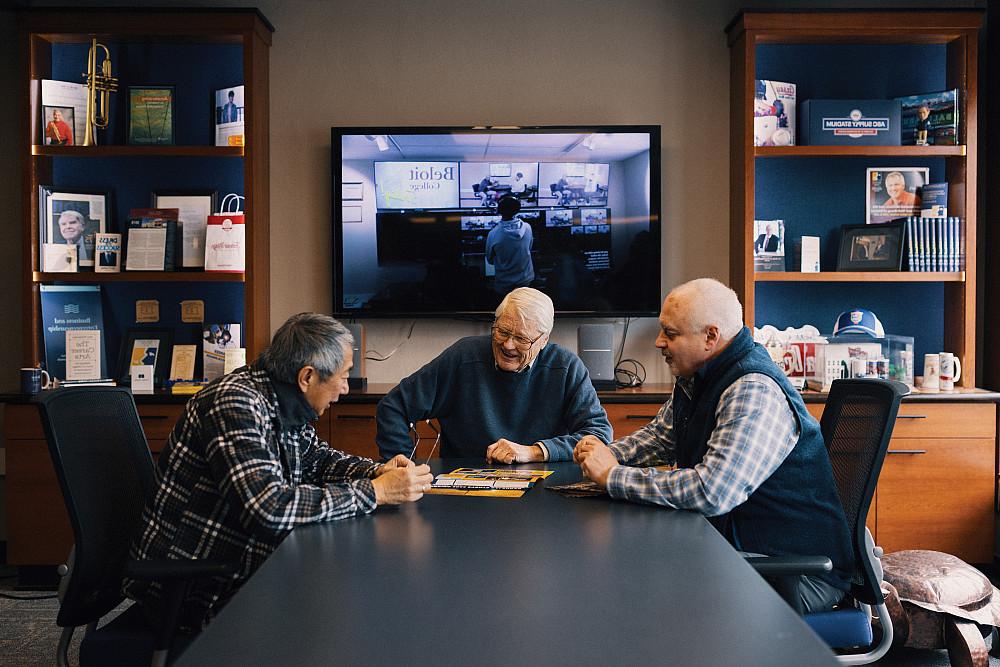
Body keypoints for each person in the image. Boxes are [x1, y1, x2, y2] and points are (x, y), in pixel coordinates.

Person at [124, 313, 432, 630]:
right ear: (307, 377)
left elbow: (316, 459)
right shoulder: (234, 403)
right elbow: (267, 508)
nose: (343, 388)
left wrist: (376, 471)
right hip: (198, 584)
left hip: (243, 562)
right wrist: (377, 492)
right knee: (356, 612)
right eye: (342, 376)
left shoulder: (280, 398)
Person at [574, 278, 853, 614]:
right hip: (740, 549)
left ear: (710, 336)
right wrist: (606, 455)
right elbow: (664, 437)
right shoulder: (699, 376)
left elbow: (713, 491)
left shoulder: (753, 389)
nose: (659, 342)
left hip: (793, 572)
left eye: (671, 334)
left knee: (633, 584)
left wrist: (613, 476)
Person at [376, 287, 612, 463]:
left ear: (543, 341)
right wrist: (402, 465)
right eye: (502, 331)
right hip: (466, 488)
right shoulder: (463, 357)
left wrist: (533, 451)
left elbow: (599, 435)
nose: (508, 345)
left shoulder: (566, 366)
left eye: (521, 339)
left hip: (544, 484)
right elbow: (393, 407)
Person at [485, 194, 534, 295]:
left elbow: (490, 260)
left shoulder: (493, 234)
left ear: (499, 210)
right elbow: (528, 249)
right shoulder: (527, 228)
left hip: (504, 286)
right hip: (526, 283)